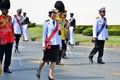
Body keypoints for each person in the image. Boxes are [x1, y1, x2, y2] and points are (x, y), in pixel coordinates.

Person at [36, 9, 62, 80]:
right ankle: (39, 70)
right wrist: (43, 45)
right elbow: (44, 35)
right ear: (50, 14)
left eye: (55, 13)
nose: (54, 14)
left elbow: (59, 34)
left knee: (54, 60)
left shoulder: (58, 23)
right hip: (49, 44)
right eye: (52, 13)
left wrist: (60, 44)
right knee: (44, 59)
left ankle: (50, 75)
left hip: (56, 43)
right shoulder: (46, 23)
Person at [0, 0, 14, 73]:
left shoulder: (10, 18)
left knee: (8, 55)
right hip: (2, 40)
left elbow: (11, 28)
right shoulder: (0, 18)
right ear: (2, 10)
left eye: (7, 9)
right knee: (0, 55)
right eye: (5, 9)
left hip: (10, 39)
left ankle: (6, 67)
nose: (7, 11)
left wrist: (13, 36)